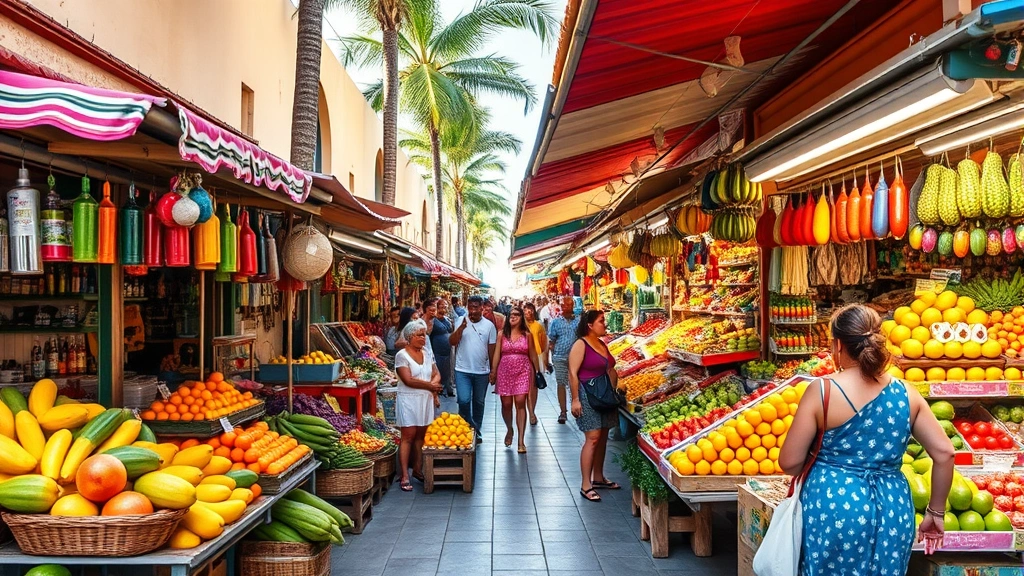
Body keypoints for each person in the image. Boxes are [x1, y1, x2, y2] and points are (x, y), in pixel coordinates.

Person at [779, 304, 953, 573]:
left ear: (838, 346)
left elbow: (789, 462)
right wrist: (936, 513)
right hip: (893, 508)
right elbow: (945, 453)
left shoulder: (823, 391)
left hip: (834, 505)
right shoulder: (906, 392)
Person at [568, 310, 620, 502]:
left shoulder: (601, 343)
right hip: (586, 394)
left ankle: (598, 477)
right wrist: (575, 399)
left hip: (605, 395)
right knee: (593, 437)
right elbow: (572, 373)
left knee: (603, 436)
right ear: (590, 325)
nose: (604, 324)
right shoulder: (580, 344)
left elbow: (610, 368)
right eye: (601, 321)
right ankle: (585, 484)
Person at [393, 319, 442, 491]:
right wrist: (430, 386)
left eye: (424, 334)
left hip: (425, 399)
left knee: (421, 435)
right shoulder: (402, 356)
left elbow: (436, 373)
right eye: (419, 335)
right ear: (409, 337)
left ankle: (418, 469)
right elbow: (408, 380)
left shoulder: (427, 353)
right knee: (408, 436)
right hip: (409, 399)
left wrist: (434, 385)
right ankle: (405, 474)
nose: (423, 338)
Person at [489, 307, 538, 453]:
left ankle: (521, 441)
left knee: (521, 402)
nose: (513, 317)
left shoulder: (527, 335)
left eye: (517, 314)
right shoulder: (501, 335)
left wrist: (536, 372)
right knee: (506, 403)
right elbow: (497, 354)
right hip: (505, 371)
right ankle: (509, 429)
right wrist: (493, 371)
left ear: (522, 318)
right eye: (511, 314)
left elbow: (533, 355)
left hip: (523, 370)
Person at [449, 295, 497, 442]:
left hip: (482, 372)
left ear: (482, 308)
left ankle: (475, 431)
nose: (473, 311)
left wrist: (493, 370)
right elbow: (452, 341)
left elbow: (492, 350)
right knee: (463, 400)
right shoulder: (460, 321)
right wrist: (461, 328)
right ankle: (467, 428)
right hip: (462, 370)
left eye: (476, 307)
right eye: (470, 307)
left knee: (479, 402)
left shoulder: (489, 326)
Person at [547, 295, 579, 424]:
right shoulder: (555, 322)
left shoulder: (578, 321)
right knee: (561, 383)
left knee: (575, 384)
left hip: (575, 358)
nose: (566, 307)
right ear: (560, 307)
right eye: (564, 305)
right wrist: (550, 356)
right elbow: (551, 341)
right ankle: (563, 412)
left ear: (573, 306)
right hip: (559, 357)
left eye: (569, 305)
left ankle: (576, 408)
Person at [523, 302, 548, 426]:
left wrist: (543, 359)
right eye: (526, 310)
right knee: (526, 387)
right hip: (523, 357)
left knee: (533, 386)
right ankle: (529, 412)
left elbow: (543, 343)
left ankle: (532, 412)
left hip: (536, 357)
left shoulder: (539, 325)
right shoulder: (520, 326)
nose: (529, 312)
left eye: (531, 310)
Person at [431, 298, 454, 397]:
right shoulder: (433, 320)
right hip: (437, 350)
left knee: (448, 370)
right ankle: (439, 389)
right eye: (441, 307)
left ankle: (448, 388)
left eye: (445, 307)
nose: (443, 309)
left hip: (447, 351)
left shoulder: (447, 319)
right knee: (439, 369)